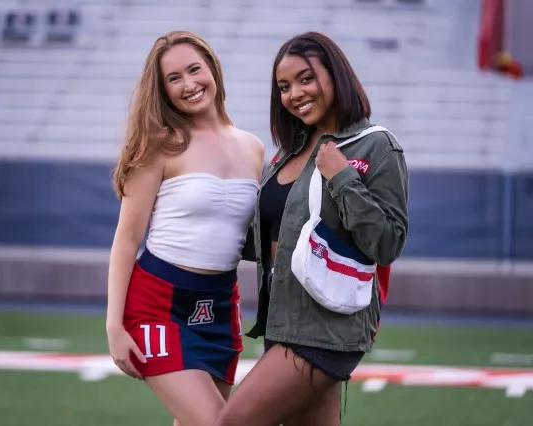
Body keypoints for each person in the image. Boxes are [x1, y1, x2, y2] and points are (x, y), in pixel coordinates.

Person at [214, 31, 409, 426]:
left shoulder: (375, 146)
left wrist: (341, 178)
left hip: (326, 328)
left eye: (306, 78)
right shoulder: (286, 153)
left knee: (231, 422)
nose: (294, 93)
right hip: (281, 322)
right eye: (284, 86)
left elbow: (387, 243)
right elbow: (264, 240)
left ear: (335, 74)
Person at [106, 30, 265, 426]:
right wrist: (113, 326)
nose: (189, 84)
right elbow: (126, 242)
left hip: (220, 306)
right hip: (158, 306)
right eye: (174, 78)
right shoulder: (160, 145)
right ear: (162, 90)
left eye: (195, 69)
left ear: (213, 68)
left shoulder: (253, 147)